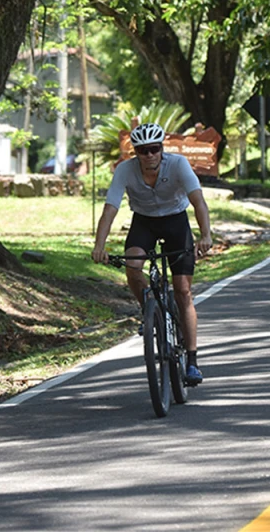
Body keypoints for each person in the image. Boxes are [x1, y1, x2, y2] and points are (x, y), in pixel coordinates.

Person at [92, 123, 213, 385]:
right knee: (133, 267)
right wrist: (99, 245)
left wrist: (205, 235)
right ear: (136, 152)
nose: (149, 156)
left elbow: (198, 201)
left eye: (154, 149)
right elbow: (110, 209)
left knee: (183, 291)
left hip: (175, 222)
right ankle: (149, 311)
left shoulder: (178, 165)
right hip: (144, 222)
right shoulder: (125, 170)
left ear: (162, 149)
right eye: (143, 151)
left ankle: (192, 362)